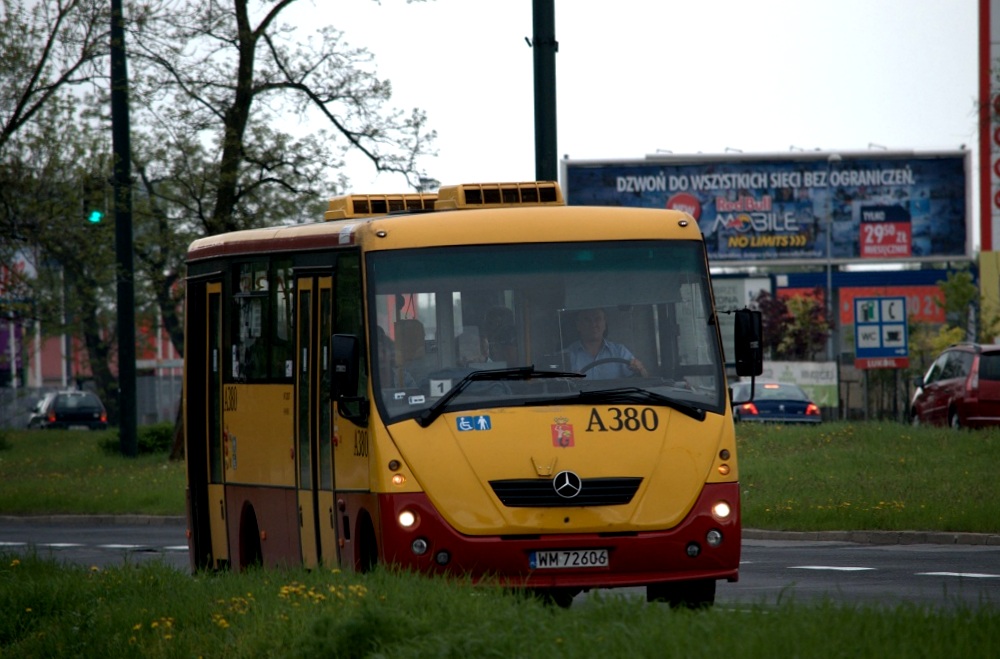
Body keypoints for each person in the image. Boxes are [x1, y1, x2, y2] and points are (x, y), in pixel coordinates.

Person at [567, 308, 648, 379]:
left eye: (597, 319)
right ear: (578, 325)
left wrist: (640, 370)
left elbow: (643, 380)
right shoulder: (567, 355)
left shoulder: (619, 351)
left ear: (605, 324)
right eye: (587, 320)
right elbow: (559, 387)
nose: (593, 324)